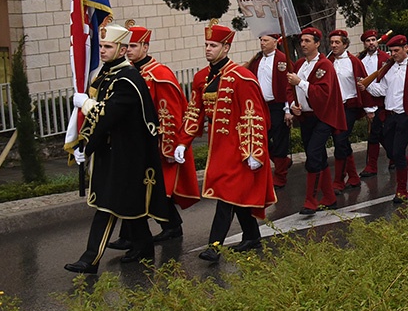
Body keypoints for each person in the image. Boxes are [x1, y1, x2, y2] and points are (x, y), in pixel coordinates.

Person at [65, 19, 173, 273]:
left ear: (122, 50)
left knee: (108, 205)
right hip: (113, 152)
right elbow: (99, 124)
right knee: (128, 205)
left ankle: (90, 259)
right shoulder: (107, 74)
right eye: (101, 46)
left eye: (108, 47)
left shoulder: (127, 78)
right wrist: (84, 144)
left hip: (128, 155)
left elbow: (108, 115)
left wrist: (85, 104)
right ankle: (144, 248)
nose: (102, 51)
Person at [176, 21, 276, 261]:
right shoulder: (201, 77)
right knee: (233, 194)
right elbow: (194, 112)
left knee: (225, 194)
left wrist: (254, 151)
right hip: (217, 145)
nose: (208, 49)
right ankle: (251, 236)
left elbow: (254, 116)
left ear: (226, 47)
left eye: (213, 45)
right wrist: (182, 141)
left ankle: (214, 246)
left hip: (238, 145)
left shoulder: (242, 77)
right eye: (206, 45)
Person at [120, 22, 200, 244]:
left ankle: (166, 228)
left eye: (133, 46)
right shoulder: (130, 71)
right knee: (140, 188)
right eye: (127, 46)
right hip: (137, 142)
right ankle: (138, 233)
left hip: (157, 142)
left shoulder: (159, 74)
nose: (128, 50)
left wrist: (169, 146)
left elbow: (170, 114)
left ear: (145, 47)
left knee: (156, 188)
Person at [286, 27, 346, 215]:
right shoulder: (299, 65)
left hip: (323, 117)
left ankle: (311, 200)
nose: (303, 44)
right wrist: (293, 105)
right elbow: (289, 89)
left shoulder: (324, 65)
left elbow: (323, 94)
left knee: (312, 155)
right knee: (318, 156)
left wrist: (300, 83)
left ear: (317, 43)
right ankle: (329, 197)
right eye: (301, 41)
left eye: (307, 41)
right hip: (306, 117)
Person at [371, 34, 408, 201]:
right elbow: (382, 89)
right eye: (391, 51)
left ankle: (401, 189)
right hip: (389, 115)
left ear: (406, 48)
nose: (393, 54)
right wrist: (366, 86)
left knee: (398, 152)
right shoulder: (389, 67)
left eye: (396, 50)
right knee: (391, 152)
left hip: (406, 115)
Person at [247, 33, 294, 189]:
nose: (262, 43)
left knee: (280, 140)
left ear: (275, 42)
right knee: (261, 139)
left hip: (278, 106)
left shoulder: (282, 60)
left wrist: (288, 109)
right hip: (261, 106)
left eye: (266, 40)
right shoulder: (257, 60)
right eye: (261, 40)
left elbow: (288, 86)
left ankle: (280, 175)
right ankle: (282, 163)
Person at [327, 29, 369, 192]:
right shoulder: (328, 61)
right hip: (333, 108)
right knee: (342, 141)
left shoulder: (354, 62)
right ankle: (353, 176)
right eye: (332, 42)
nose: (334, 45)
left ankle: (339, 180)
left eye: (337, 42)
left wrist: (368, 108)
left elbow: (364, 83)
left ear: (345, 44)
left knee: (340, 139)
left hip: (349, 106)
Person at [356, 29, 387, 177]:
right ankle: (374, 164)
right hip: (367, 101)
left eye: (373, 40)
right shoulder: (360, 60)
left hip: (383, 101)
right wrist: (368, 107)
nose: (371, 43)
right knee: (376, 134)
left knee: (379, 134)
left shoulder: (385, 59)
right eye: (368, 41)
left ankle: (374, 165)